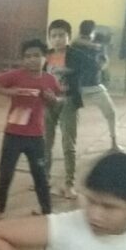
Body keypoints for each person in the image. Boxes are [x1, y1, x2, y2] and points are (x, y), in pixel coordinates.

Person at [0, 39, 60, 218]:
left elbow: (57, 101)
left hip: (36, 136)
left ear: (45, 58)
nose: (32, 60)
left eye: (36, 56)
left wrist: (53, 100)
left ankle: (47, 212)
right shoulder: (15, 76)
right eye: (27, 56)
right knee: (6, 173)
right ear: (23, 59)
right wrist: (8, 92)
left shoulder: (49, 79)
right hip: (13, 134)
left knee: (40, 175)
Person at [59, 19, 118, 198]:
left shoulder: (97, 44)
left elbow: (103, 64)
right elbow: (78, 45)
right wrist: (97, 48)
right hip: (78, 88)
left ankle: (114, 142)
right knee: (68, 125)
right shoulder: (76, 45)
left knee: (111, 112)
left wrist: (101, 50)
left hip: (95, 86)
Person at [42, 19, 73, 194]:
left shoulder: (74, 56)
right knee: (46, 142)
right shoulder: (47, 56)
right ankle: (44, 178)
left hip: (68, 102)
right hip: (49, 102)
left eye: (61, 35)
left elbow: (81, 77)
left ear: (69, 37)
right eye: (53, 36)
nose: (57, 39)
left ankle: (69, 183)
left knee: (68, 143)